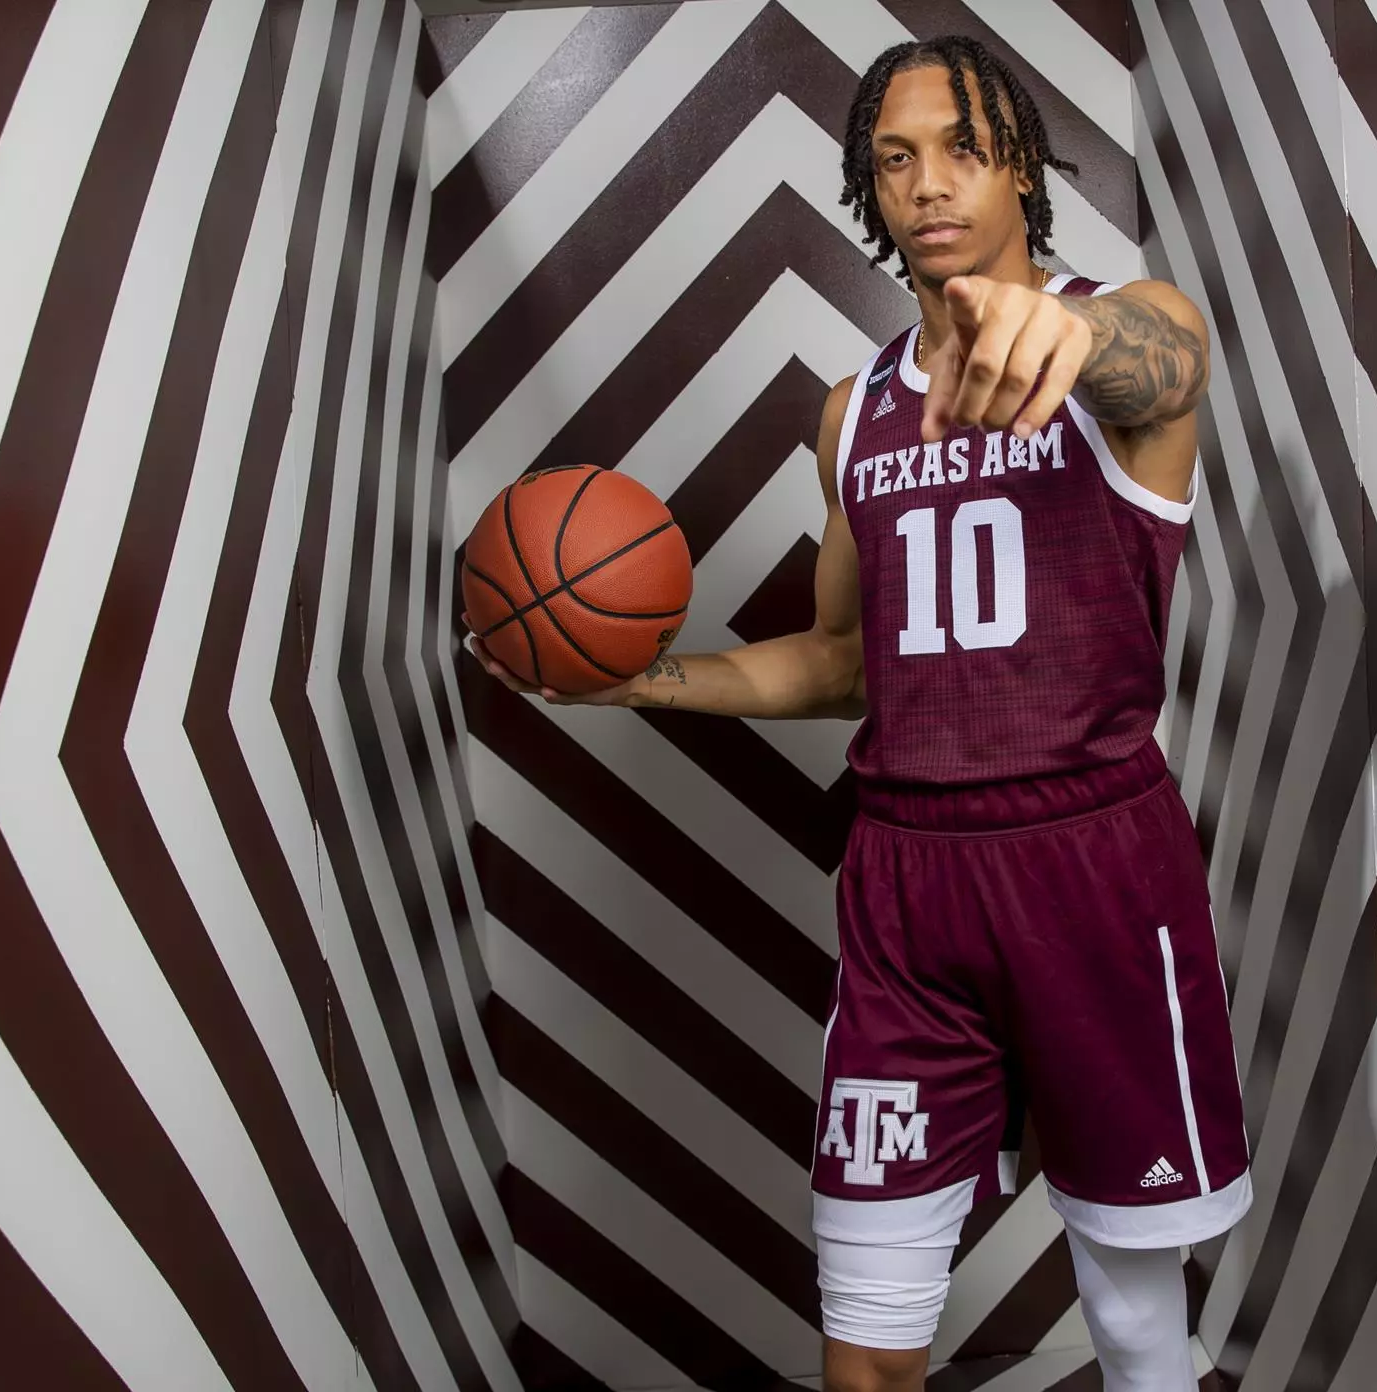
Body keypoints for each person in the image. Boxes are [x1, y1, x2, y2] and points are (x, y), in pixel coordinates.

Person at [468, 34, 1250, 1392]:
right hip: (904, 886)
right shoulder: (856, 414)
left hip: (1094, 865)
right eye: (895, 159)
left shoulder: (1136, 330)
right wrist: (637, 679)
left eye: (963, 148)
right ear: (868, 187)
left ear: (1021, 168)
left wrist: (1064, 330)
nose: (927, 184)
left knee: (1132, 1316)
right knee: (868, 1340)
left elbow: (1161, 362)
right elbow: (842, 664)